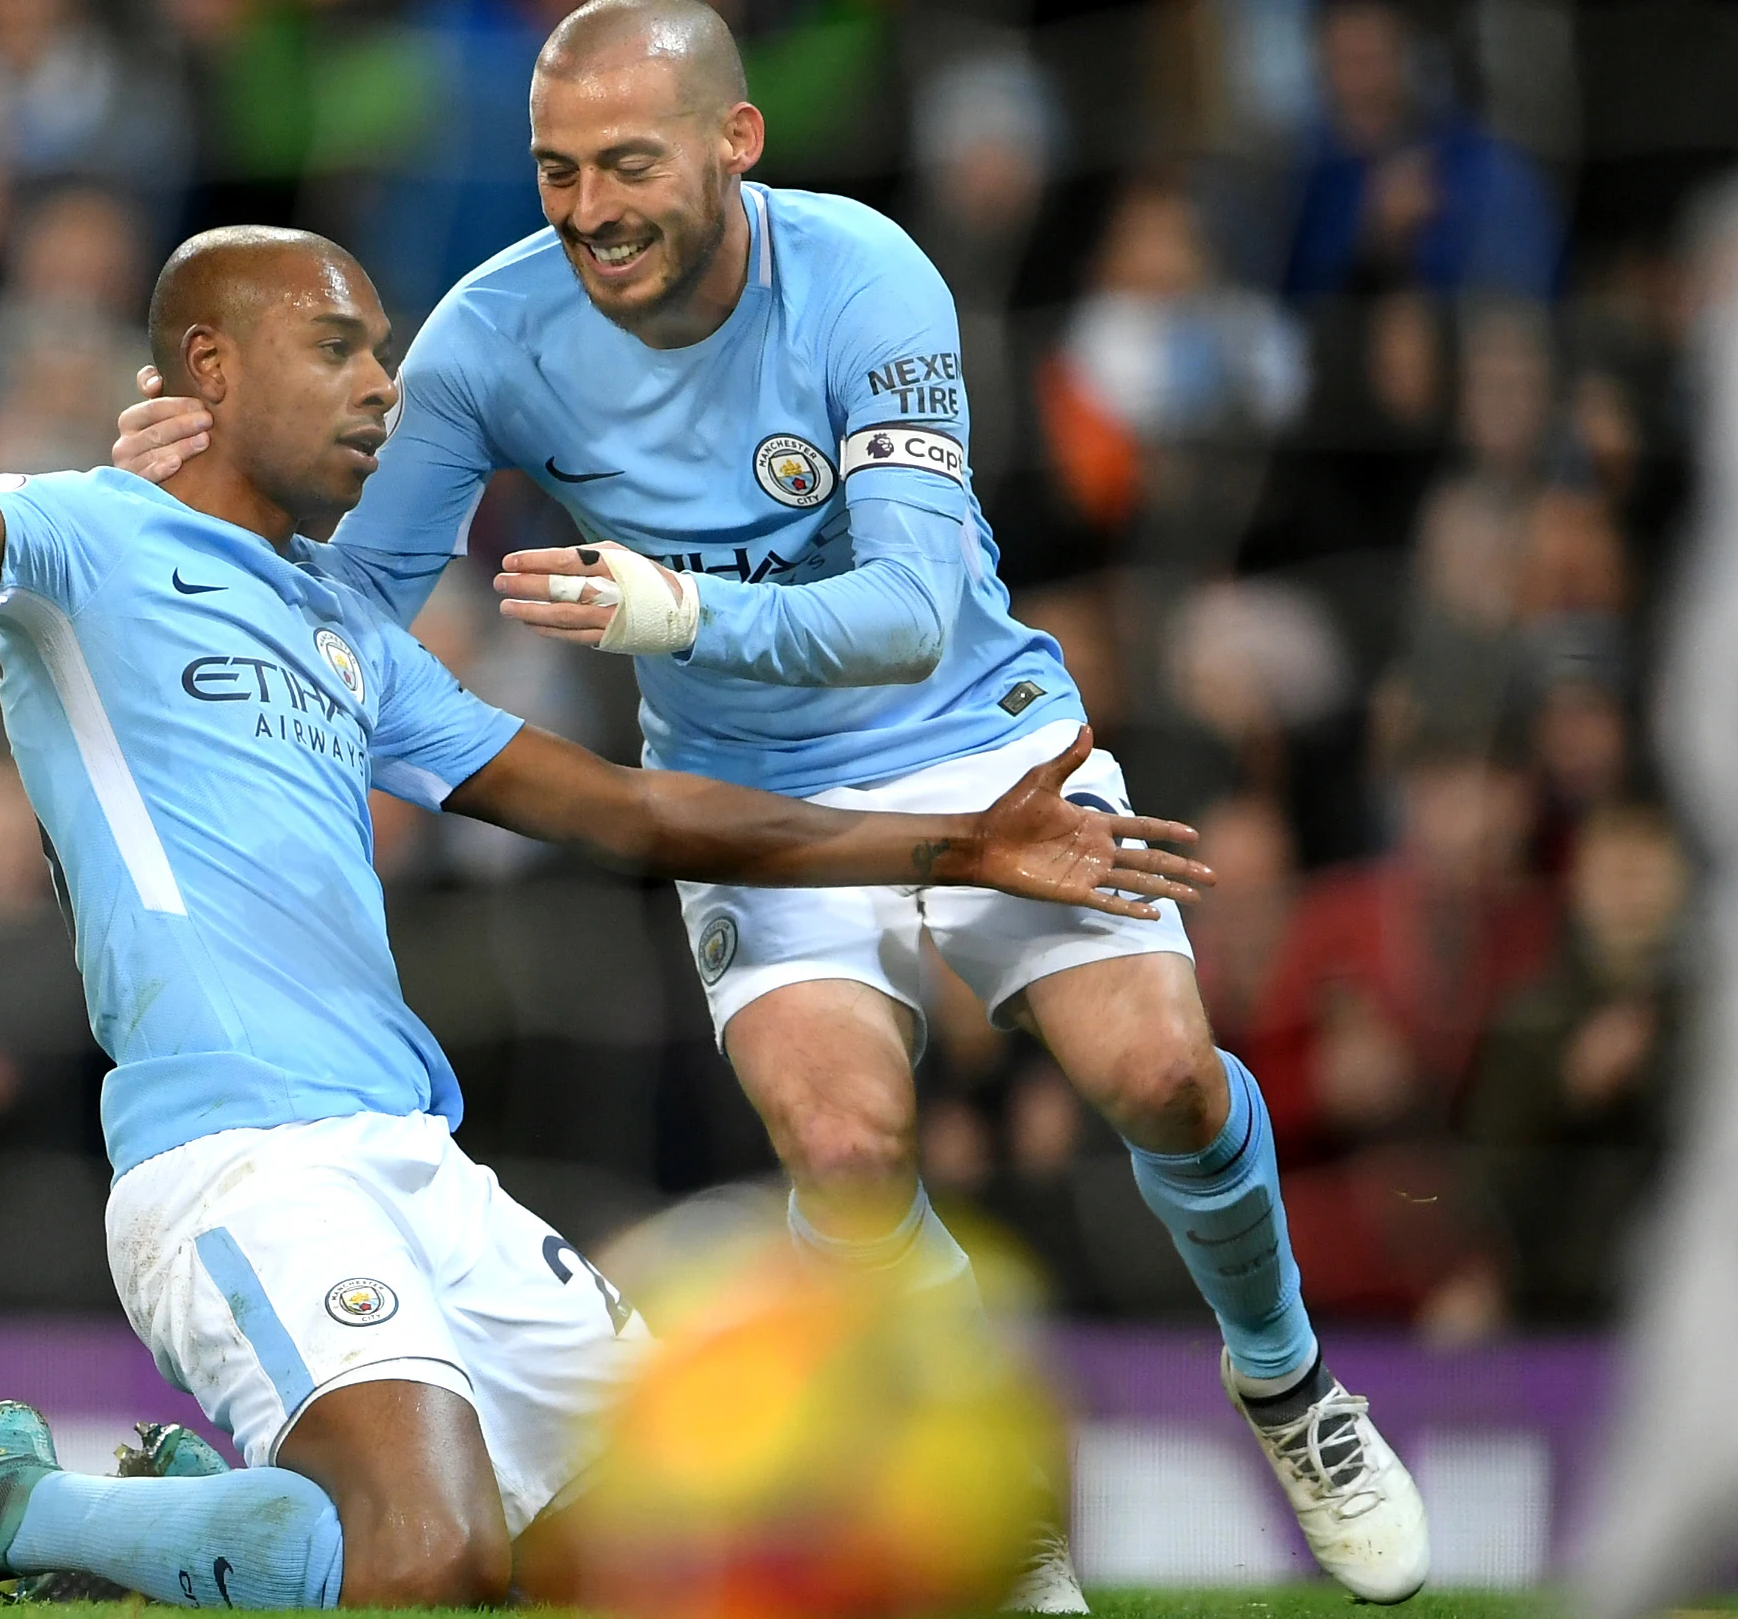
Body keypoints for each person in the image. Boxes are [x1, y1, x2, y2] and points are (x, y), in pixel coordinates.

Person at [0, 225, 1208, 1607]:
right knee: (428, 1558)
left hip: (415, 1159)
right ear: (211, 370)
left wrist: (956, 845)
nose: (386, 383)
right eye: (339, 346)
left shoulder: (351, 639)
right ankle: (9, 1504)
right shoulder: (90, 535)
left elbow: (633, 811)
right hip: (235, 1158)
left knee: (647, 1549)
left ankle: (196, 1509)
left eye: (384, 351)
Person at [115, 0, 1429, 1600]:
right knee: (843, 1143)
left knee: (1158, 1076)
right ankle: (985, 1496)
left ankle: (1285, 1380)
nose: (587, 207)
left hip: (977, 734)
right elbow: (350, 606)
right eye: (553, 170)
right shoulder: (486, 338)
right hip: (746, 796)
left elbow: (910, 613)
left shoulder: (863, 275)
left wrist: (675, 613)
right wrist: (191, 507)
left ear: (733, 142)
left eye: (624, 163)